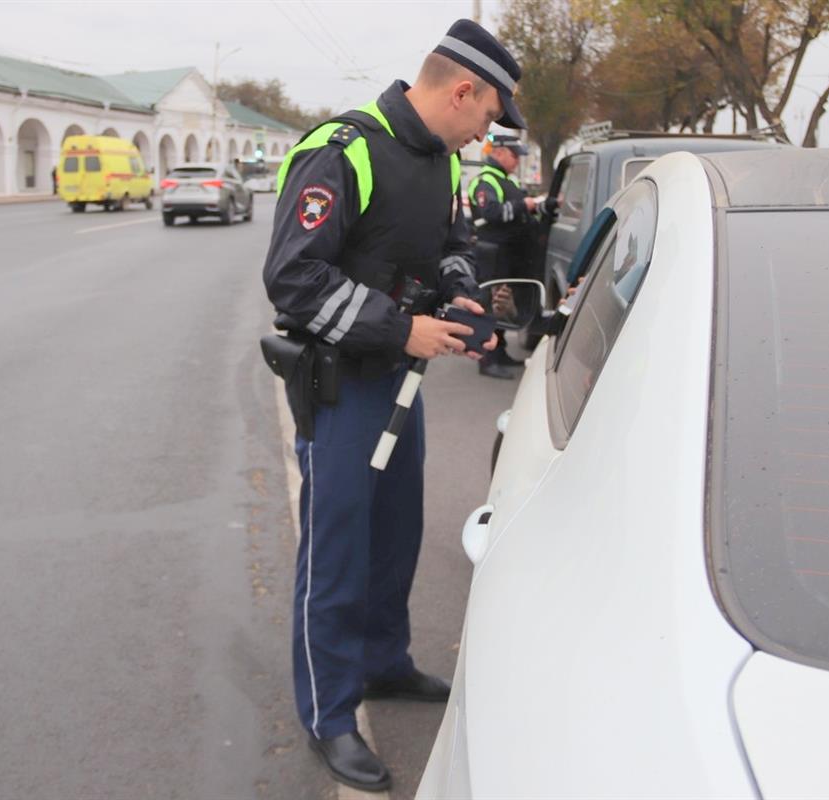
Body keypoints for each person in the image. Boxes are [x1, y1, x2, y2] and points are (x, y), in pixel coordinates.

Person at [262, 18, 525, 792]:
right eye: (487, 115)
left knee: (393, 535)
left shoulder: (441, 163)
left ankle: (383, 663)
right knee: (336, 552)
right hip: (342, 385)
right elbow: (294, 280)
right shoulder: (342, 151)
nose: (487, 131)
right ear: (462, 89)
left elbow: (450, 246)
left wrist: (463, 297)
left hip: (398, 383)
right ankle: (330, 715)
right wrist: (399, 327)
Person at [468, 133, 539, 379]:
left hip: (507, 255)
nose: (517, 160)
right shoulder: (486, 181)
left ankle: (500, 351)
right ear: (498, 153)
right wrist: (524, 205)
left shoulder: (504, 180)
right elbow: (491, 213)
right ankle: (486, 359)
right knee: (489, 305)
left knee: (501, 305)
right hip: (492, 254)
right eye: (513, 155)